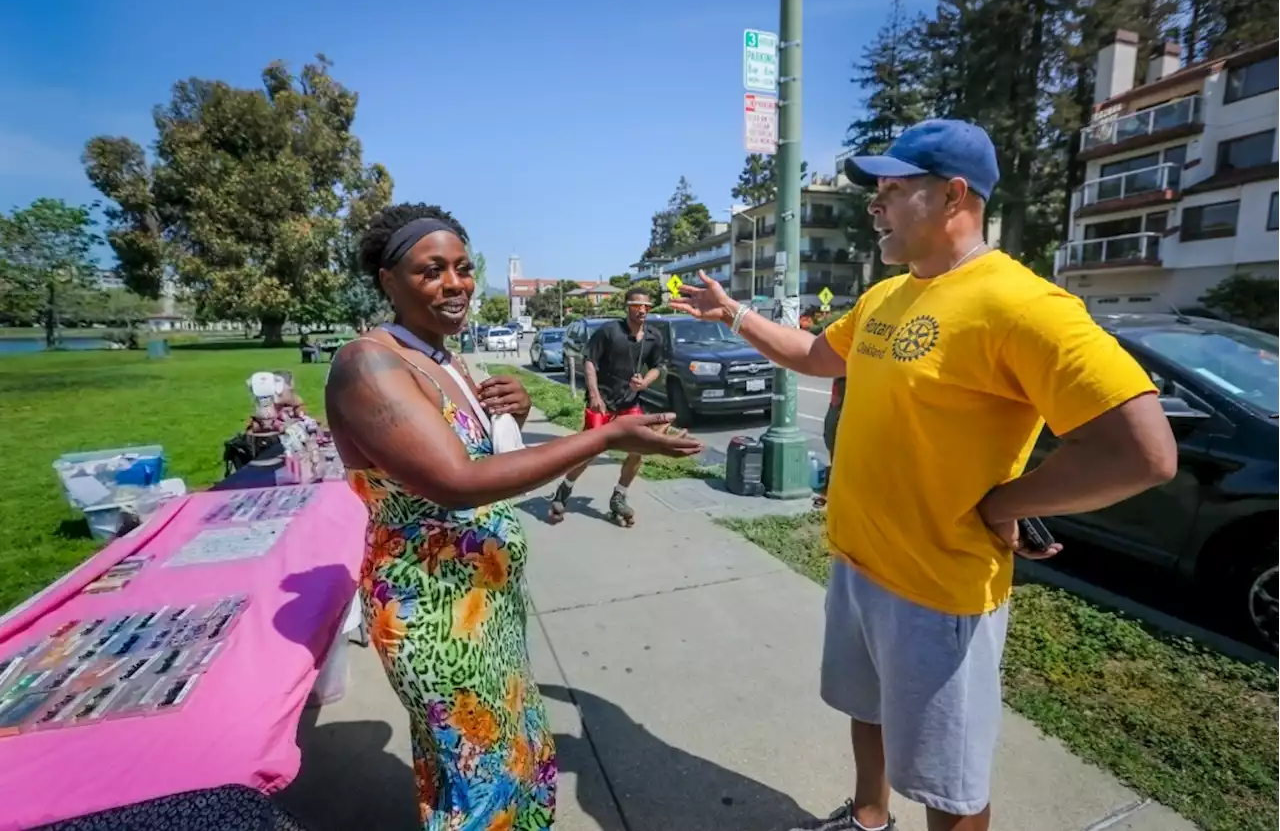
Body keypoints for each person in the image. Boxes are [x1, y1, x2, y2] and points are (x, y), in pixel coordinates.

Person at [671, 119, 1177, 831]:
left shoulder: (1022, 304)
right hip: (858, 562)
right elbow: (818, 355)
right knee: (865, 710)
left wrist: (1007, 502)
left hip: (940, 592)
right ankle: (869, 817)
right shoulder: (888, 295)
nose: (874, 205)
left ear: (954, 197)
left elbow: (1145, 452)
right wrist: (735, 316)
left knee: (951, 784)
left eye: (894, 189)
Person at [324, 203, 702, 831]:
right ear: (388, 282)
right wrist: (605, 439)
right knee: (478, 784)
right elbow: (457, 482)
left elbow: (475, 453)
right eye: (431, 271)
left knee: (511, 760)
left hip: (486, 605)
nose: (455, 284)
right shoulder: (369, 364)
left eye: (464, 268)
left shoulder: (441, 356)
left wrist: (512, 415)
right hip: (436, 616)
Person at [546, 286, 667, 527]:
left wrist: (644, 382)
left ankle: (619, 496)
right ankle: (565, 489)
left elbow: (659, 366)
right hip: (603, 401)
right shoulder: (610, 331)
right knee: (588, 451)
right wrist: (594, 394)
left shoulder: (654, 337)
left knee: (638, 449)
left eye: (646, 306)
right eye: (637, 305)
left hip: (630, 403)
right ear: (627, 307)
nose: (642, 310)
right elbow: (589, 360)